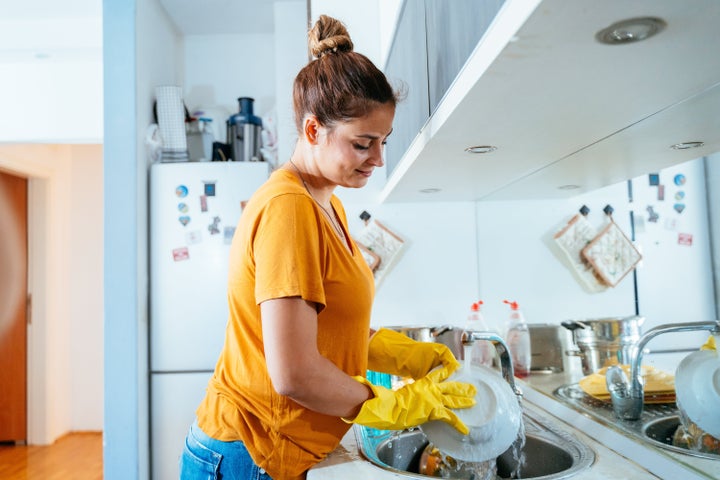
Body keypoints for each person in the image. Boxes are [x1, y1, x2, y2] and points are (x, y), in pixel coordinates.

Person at [179, 15, 477, 480]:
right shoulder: (288, 208)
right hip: (252, 452)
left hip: (279, 446)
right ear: (314, 130)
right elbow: (294, 374)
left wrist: (409, 355)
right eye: (363, 143)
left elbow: (328, 332)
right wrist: (396, 405)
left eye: (383, 141)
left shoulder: (328, 206)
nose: (378, 158)